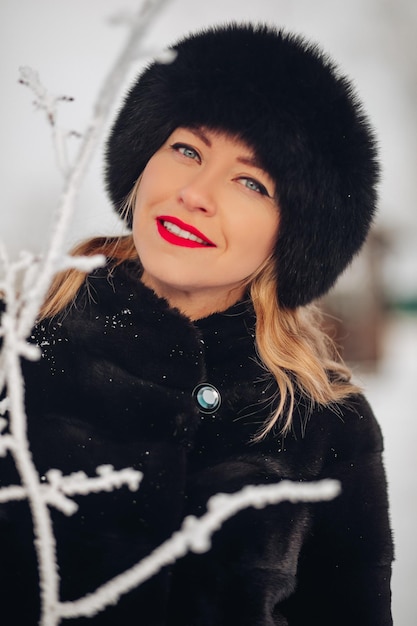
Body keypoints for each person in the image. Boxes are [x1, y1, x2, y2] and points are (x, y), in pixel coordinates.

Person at [0, 23, 393, 625]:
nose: (195, 193)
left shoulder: (326, 425)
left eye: (250, 181)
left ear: (294, 237)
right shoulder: (20, 346)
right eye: (187, 149)